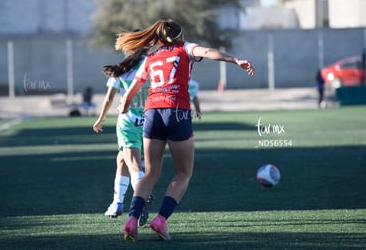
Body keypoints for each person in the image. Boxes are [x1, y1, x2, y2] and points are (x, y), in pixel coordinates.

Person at [115, 19, 255, 241]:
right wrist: (234, 60)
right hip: (177, 112)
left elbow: (131, 91)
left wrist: (124, 106)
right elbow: (208, 52)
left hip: (152, 113)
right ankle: (161, 220)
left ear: (159, 38)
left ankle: (132, 220)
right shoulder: (185, 48)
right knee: (183, 173)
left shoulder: (151, 58)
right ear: (180, 35)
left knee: (150, 173)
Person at [92, 47, 154, 226]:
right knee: (121, 159)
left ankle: (142, 198)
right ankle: (117, 203)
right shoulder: (152, 66)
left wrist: (101, 118)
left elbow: (108, 99)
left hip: (128, 124)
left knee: (133, 164)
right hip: (149, 122)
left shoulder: (122, 70)